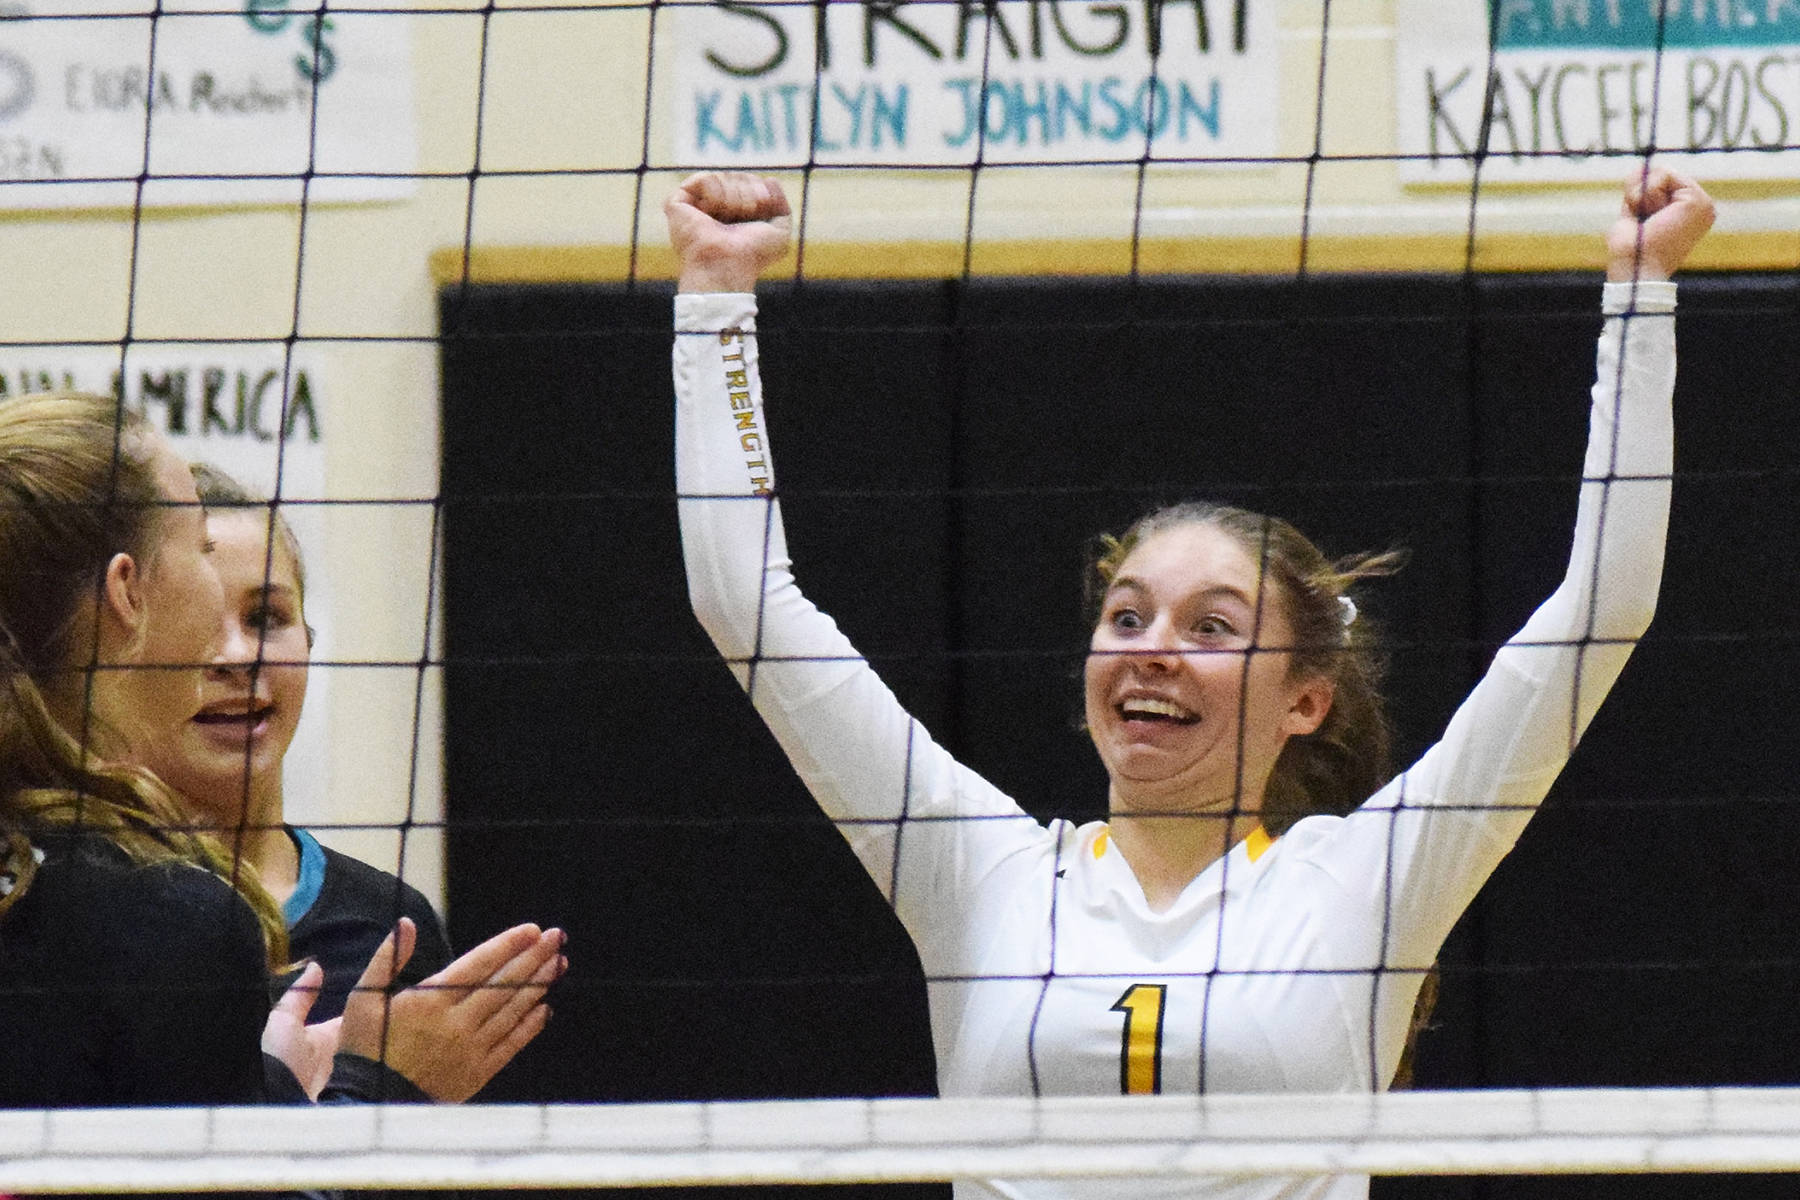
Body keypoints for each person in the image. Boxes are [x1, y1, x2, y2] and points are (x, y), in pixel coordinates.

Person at [666, 168, 1714, 1200]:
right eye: (1126, 617)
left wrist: (1640, 291)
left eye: (1211, 626)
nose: (1151, 648)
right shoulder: (980, 875)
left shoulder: (1365, 886)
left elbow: (1601, 613)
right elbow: (750, 613)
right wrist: (715, 297)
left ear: (1307, 701)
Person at [147, 462, 565, 1102]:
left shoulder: (388, 925)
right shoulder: (85, 917)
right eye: (200, 621)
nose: (237, 656)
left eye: (266, 617)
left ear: (309, 640)